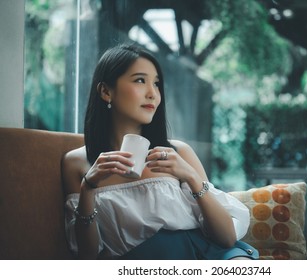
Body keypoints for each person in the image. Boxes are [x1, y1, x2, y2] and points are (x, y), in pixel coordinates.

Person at [62, 43, 258, 260]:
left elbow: (226, 238)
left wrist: (191, 177)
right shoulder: (77, 163)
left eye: (156, 84)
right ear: (106, 91)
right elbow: (87, 257)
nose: (152, 94)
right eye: (140, 80)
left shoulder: (177, 152)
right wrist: (88, 187)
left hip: (206, 254)